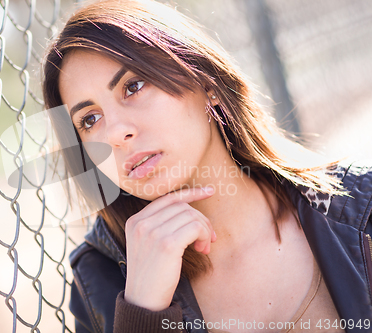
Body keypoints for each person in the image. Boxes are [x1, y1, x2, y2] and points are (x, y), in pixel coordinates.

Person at [41, 0, 372, 332]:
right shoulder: (101, 285)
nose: (115, 133)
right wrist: (142, 312)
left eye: (134, 86)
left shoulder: (360, 211)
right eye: (89, 120)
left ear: (206, 83)